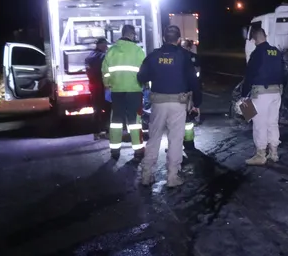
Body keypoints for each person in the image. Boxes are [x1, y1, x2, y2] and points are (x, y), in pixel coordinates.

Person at [138, 25, 202, 187]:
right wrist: (197, 102)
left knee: (154, 137)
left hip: (158, 103)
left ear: (164, 38)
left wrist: (156, 73)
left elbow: (141, 76)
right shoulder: (184, 56)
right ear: (179, 40)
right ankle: (172, 177)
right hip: (178, 103)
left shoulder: (153, 56)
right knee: (175, 139)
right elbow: (193, 81)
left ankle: (146, 174)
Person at [102, 25, 146, 160]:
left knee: (115, 121)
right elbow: (144, 71)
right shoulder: (138, 50)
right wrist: (145, 86)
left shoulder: (111, 51)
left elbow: (105, 71)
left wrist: (107, 87)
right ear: (132, 35)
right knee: (134, 121)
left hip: (116, 91)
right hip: (134, 91)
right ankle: (138, 150)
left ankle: (115, 150)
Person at [241, 27, 284, 166]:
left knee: (260, 124)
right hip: (276, 92)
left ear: (254, 39)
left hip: (261, 94)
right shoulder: (276, 52)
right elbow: (284, 73)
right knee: (272, 123)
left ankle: (260, 155)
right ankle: (274, 153)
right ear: (266, 36)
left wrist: (243, 95)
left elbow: (249, 75)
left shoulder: (257, 53)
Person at [86, 38, 109, 140]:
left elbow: (89, 71)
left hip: (94, 86)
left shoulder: (90, 56)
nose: (106, 47)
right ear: (100, 45)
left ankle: (97, 132)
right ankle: (106, 131)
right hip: (103, 86)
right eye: (104, 45)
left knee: (97, 109)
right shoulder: (103, 56)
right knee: (108, 108)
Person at [181, 39, 201, 151]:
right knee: (187, 120)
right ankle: (188, 143)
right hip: (187, 90)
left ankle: (186, 143)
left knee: (186, 119)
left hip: (187, 91)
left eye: (185, 46)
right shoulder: (182, 57)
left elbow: (198, 70)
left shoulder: (191, 57)